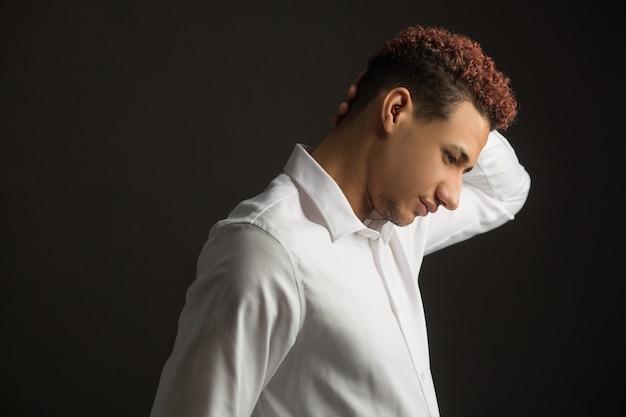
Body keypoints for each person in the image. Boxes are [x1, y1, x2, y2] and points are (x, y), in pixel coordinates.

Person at [149, 25, 531, 417]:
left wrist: (455, 111)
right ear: (395, 111)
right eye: (450, 158)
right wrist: (426, 100)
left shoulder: (403, 225)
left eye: (464, 169)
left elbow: (508, 191)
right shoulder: (267, 250)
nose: (452, 196)